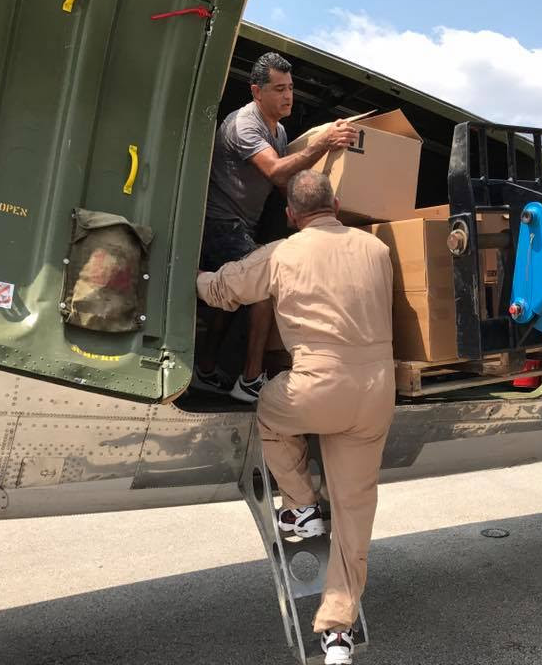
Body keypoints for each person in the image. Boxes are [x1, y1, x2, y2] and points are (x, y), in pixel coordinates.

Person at [197, 170, 395, 665]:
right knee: (354, 515)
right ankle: (337, 633)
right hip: (375, 393)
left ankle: (301, 504)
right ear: (339, 203)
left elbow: (224, 291)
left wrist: (191, 277)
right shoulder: (377, 250)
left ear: (289, 214)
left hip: (315, 389)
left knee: (269, 407)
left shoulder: (281, 252)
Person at [196, 51, 358, 402]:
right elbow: (275, 172)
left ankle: (205, 370)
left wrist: (317, 216)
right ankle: (250, 380)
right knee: (267, 281)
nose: (288, 96)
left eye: (291, 88)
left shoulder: (279, 130)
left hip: (242, 225)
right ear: (257, 92)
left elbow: (286, 186)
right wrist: (323, 144)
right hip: (220, 223)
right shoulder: (244, 125)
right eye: (279, 89)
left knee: (228, 300)